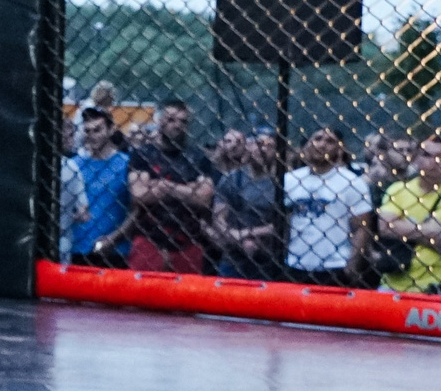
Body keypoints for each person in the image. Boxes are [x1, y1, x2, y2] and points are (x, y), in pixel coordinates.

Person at [126, 99, 215, 275]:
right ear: (160, 121)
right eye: (171, 119)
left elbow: (204, 198)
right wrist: (187, 188)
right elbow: (139, 195)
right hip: (149, 240)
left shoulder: (198, 157)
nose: (177, 125)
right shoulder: (143, 154)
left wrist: (163, 186)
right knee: (141, 290)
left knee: (188, 292)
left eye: (183, 121)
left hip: (188, 242)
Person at [371, 135, 441, 293]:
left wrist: (403, 227)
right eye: (427, 155)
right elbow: (385, 227)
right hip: (394, 283)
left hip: (437, 284)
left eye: (440, 156)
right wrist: (431, 232)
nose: (434, 161)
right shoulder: (398, 189)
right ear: (416, 159)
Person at [283, 126, 367, 286]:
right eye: (317, 139)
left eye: (330, 141)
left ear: (340, 148)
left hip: (336, 265)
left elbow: (361, 228)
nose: (322, 145)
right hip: (295, 263)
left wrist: (352, 266)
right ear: (308, 144)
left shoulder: (352, 183)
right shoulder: (290, 179)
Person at [210, 130, 283, 279]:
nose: (262, 149)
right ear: (248, 146)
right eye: (258, 144)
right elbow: (218, 218)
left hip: (268, 260)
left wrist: (247, 234)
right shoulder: (232, 179)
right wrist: (235, 237)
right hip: (233, 258)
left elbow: (282, 225)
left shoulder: (281, 184)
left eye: (269, 146)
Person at [71, 107, 135, 268]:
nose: (92, 135)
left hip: (115, 252)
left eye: (97, 130)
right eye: (87, 131)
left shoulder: (127, 164)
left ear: (111, 129)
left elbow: (136, 211)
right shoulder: (74, 165)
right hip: (77, 248)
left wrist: (113, 239)